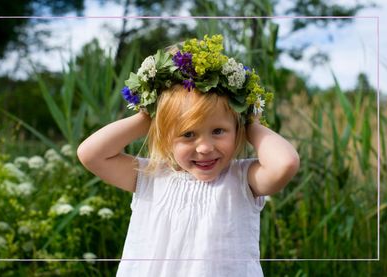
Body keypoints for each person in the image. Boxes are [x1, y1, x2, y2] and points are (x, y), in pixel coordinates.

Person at [77, 34, 300, 277]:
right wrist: (148, 118)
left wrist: (250, 122)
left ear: (237, 130)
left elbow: (285, 163)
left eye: (218, 131)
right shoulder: (151, 177)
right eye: (188, 134)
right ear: (164, 136)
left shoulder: (242, 179)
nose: (204, 147)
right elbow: (91, 154)